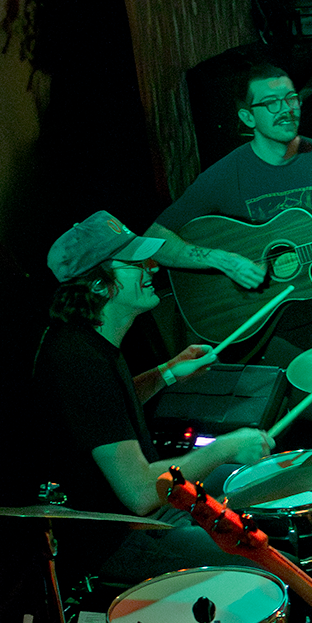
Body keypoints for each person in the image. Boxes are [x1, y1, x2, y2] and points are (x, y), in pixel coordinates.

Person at [34, 210, 273, 585]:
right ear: (98, 285)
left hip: (146, 517)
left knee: (256, 481)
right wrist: (225, 446)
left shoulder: (87, 340)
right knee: (270, 567)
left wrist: (168, 372)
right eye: (136, 263)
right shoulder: (79, 362)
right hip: (121, 538)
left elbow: (106, 409)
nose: (153, 268)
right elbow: (141, 493)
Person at [149, 56, 312, 367]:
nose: (286, 109)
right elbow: (153, 237)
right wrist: (225, 260)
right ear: (247, 117)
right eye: (271, 103)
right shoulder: (226, 175)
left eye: (291, 98)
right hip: (257, 312)